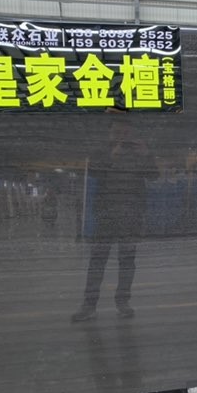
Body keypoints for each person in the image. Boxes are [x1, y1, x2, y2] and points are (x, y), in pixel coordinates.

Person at [72, 115, 157, 322]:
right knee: (97, 260)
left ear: (131, 134)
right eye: (117, 132)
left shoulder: (139, 153)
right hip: (106, 214)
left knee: (127, 261)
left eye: (125, 133)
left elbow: (153, 175)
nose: (121, 136)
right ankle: (89, 305)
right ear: (109, 133)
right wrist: (112, 157)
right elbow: (93, 172)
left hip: (131, 214)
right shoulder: (101, 152)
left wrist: (146, 155)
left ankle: (123, 302)